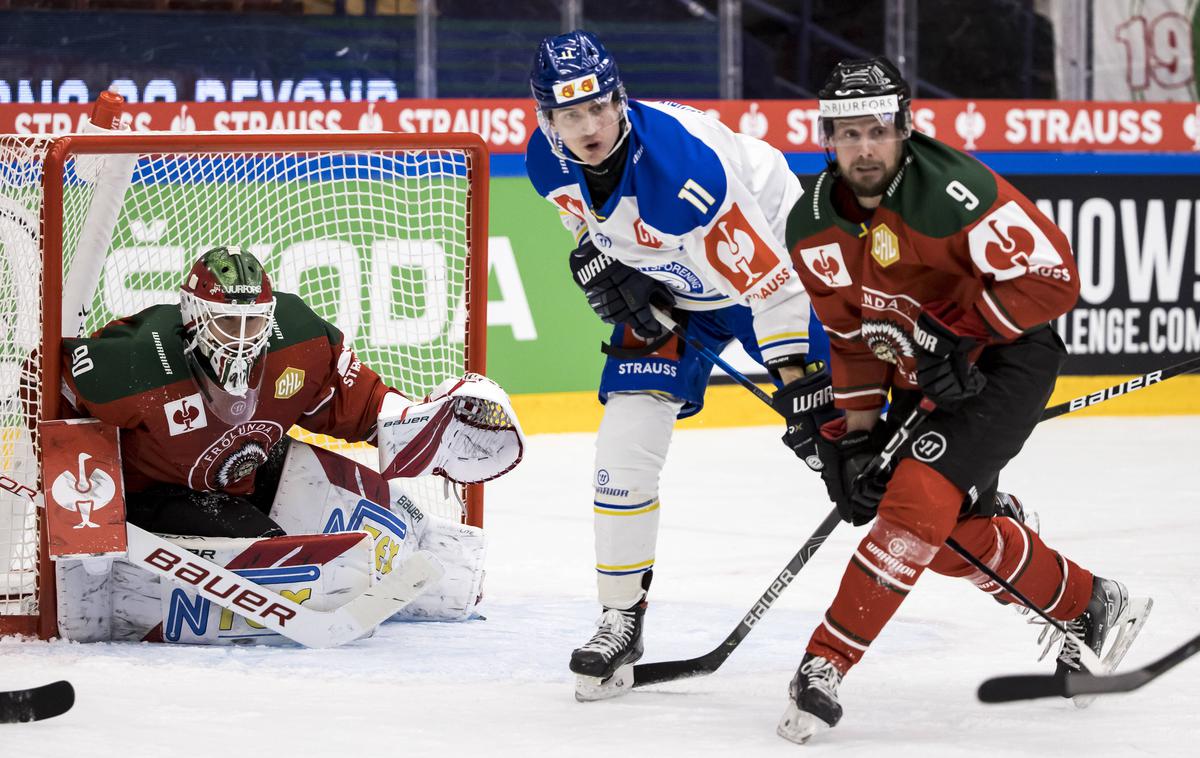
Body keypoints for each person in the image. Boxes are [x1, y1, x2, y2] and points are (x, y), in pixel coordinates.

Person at [778, 57, 1152, 744]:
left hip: (1005, 362)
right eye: (848, 132)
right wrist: (858, 437)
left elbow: (1054, 277)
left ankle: (822, 665)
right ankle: (1091, 604)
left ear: (905, 128)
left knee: (916, 500)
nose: (865, 147)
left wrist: (962, 332)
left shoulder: (956, 192)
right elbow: (853, 341)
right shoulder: (809, 229)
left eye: (878, 130)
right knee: (944, 537)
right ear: (825, 137)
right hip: (921, 371)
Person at [524, 29, 832, 701]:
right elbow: (585, 222)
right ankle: (620, 618)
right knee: (624, 439)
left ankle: (999, 540)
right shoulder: (546, 163)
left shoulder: (684, 176)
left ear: (620, 102)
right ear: (548, 122)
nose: (588, 127)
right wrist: (601, 261)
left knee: (851, 454)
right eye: (570, 115)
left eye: (598, 108)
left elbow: (772, 289)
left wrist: (804, 391)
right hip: (681, 286)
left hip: (772, 276)